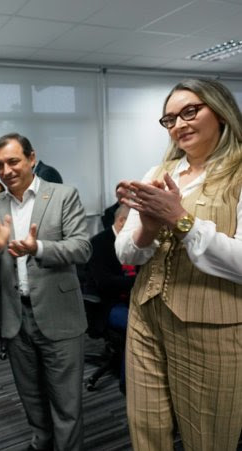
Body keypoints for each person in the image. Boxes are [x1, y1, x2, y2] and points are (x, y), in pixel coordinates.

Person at [115, 78, 242, 450]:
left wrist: (180, 220)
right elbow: (126, 253)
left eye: (190, 111)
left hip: (212, 328)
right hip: (145, 317)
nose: (179, 125)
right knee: (146, 429)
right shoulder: (157, 172)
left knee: (207, 438)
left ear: (221, 112)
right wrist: (148, 228)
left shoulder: (238, 172)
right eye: (170, 119)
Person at [0, 133, 91, 451]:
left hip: (58, 313)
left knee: (66, 402)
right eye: (0, 165)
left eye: (13, 161)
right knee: (31, 397)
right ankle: (41, 442)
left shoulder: (63, 195)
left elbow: (82, 248)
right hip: (15, 317)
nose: (6, 170)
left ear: (32, 158)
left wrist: (37, 247)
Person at [86, 204, 135, 393]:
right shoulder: (99, 243)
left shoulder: (134, 243)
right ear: (121, 221)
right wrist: (136, 281)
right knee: (136, 326)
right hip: (106, 305)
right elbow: (104, 283)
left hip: (131, 299)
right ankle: (127, 385)